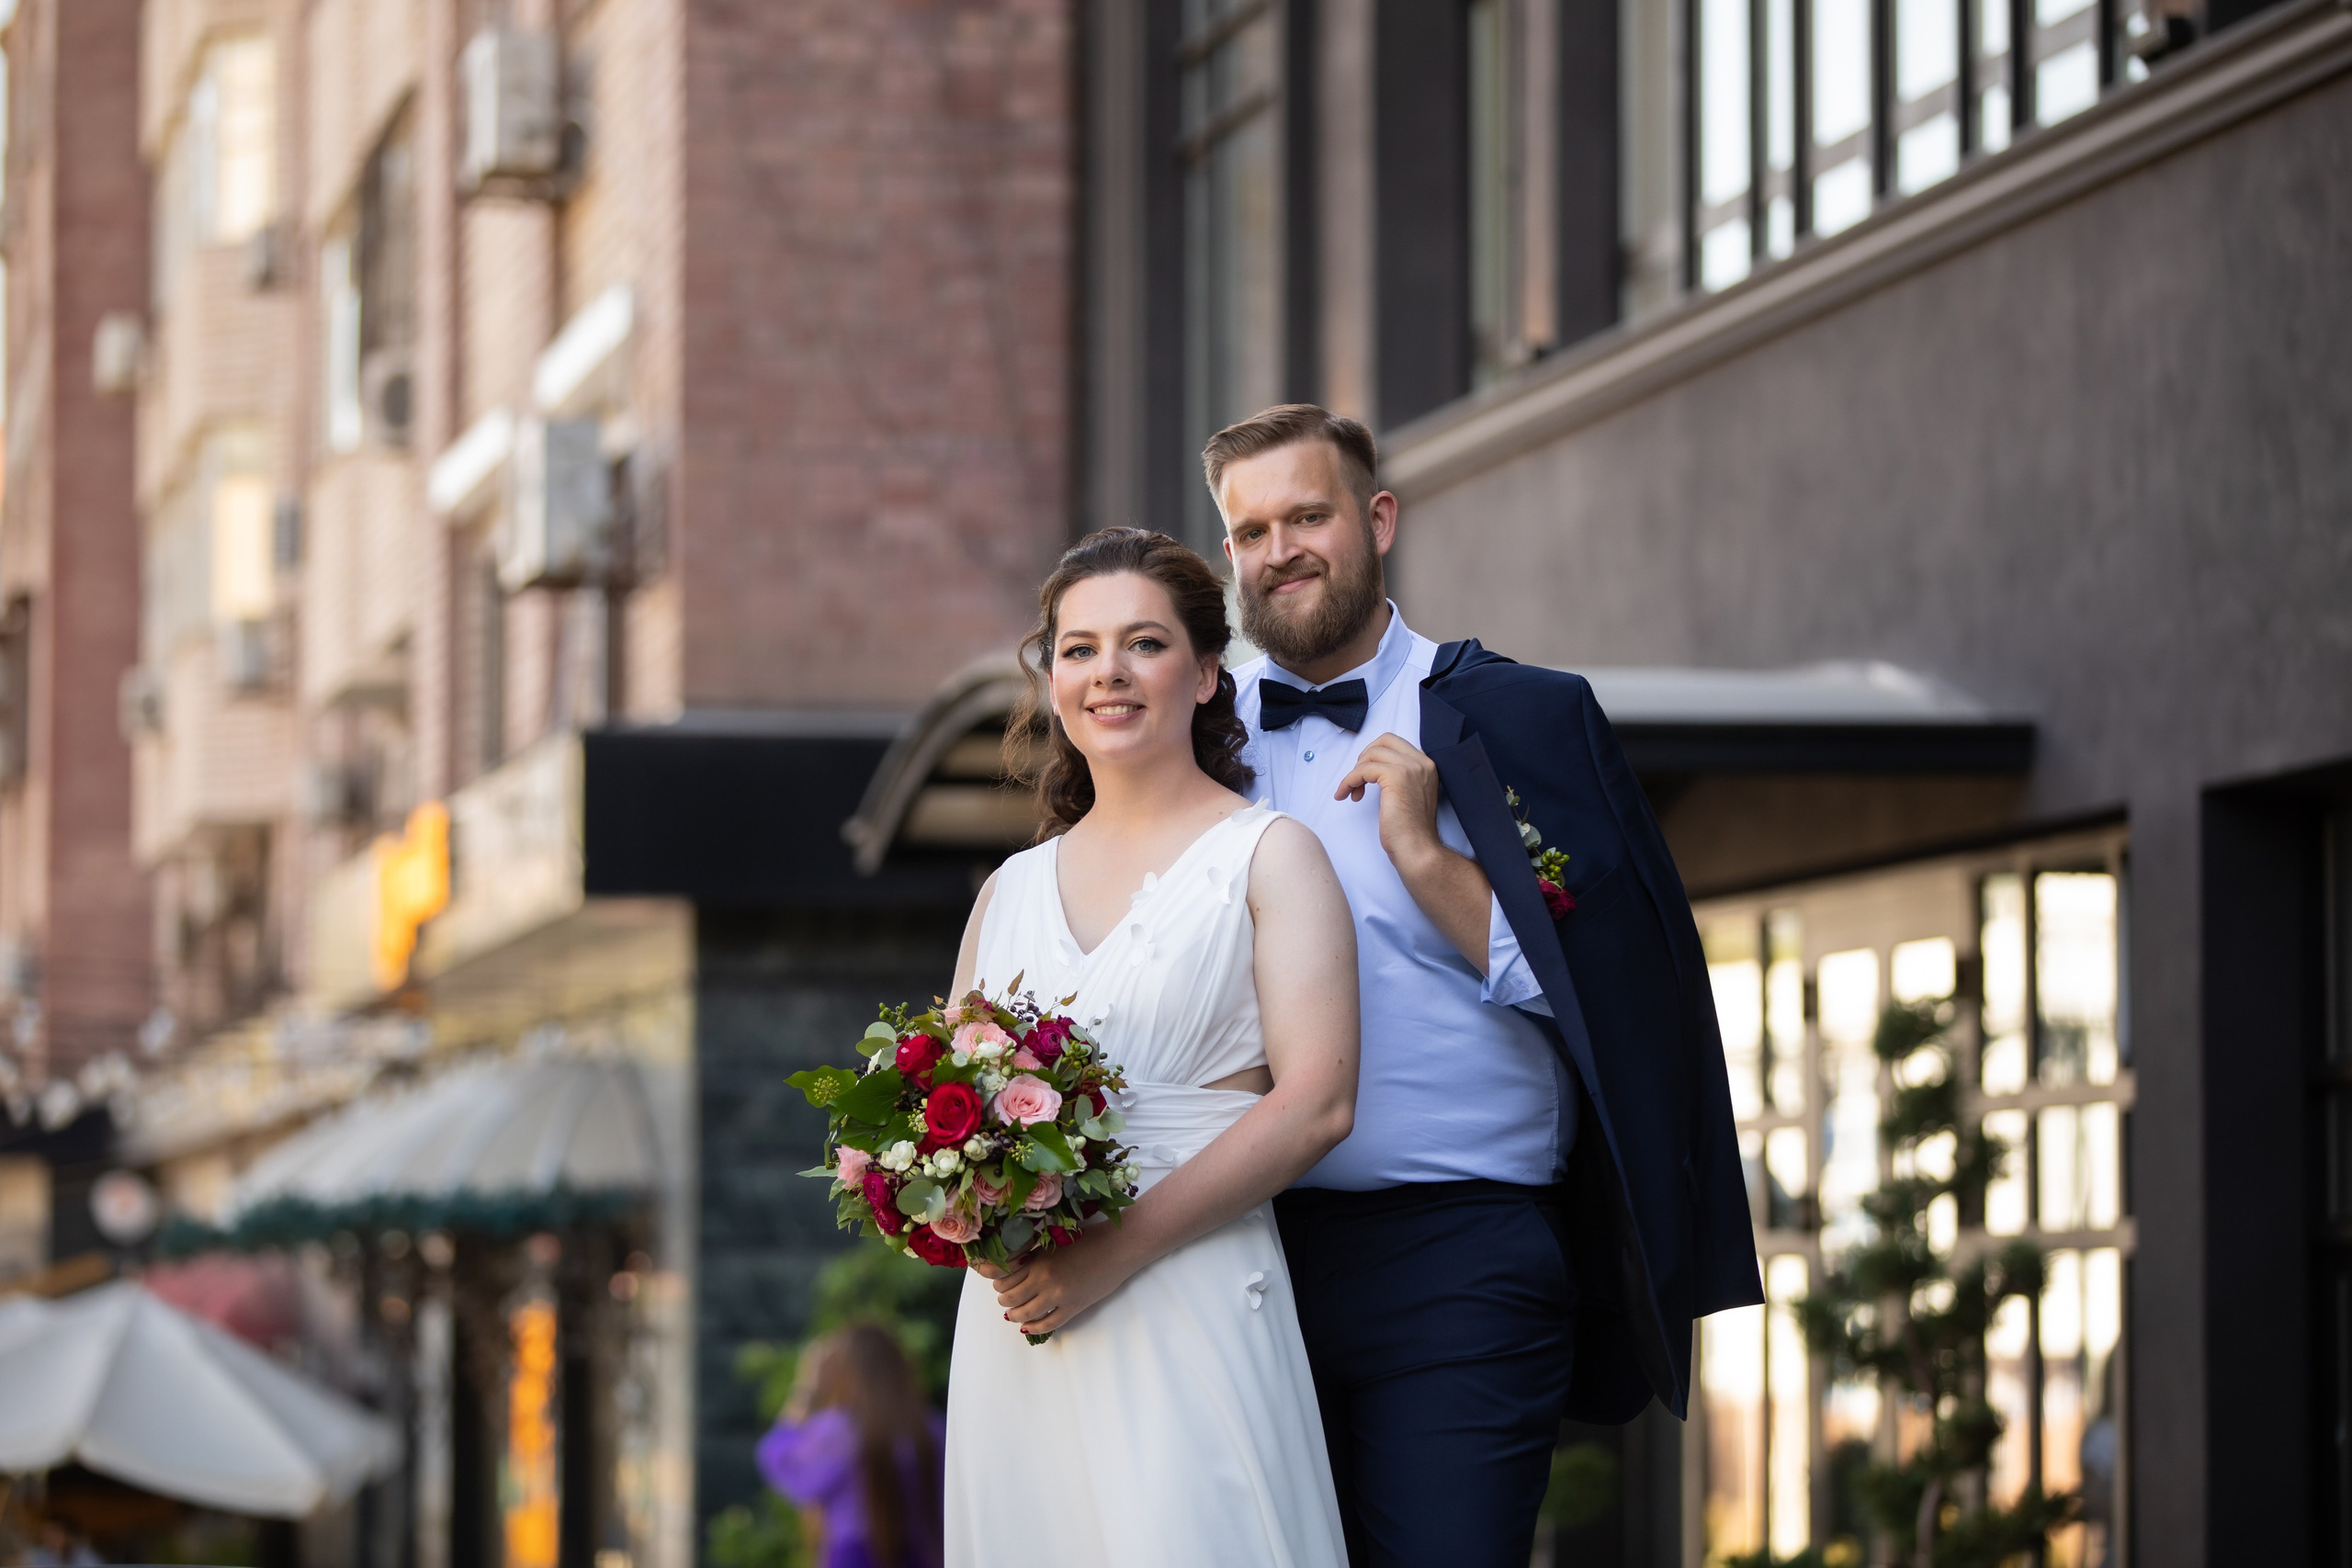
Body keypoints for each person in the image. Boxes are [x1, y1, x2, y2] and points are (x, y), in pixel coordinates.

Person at [1206, 403, 1764, 1567]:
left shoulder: (1525, 719)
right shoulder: (1189, 745)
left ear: (1378, 519)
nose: (1281, 550)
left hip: (1462, 1259)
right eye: (1251, 530)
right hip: (1236, 1259)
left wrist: (1426, 858)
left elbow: (1616, 995)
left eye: (1308, 515)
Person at [942, 527, 1359, 1567]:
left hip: (1190, 1293)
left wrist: (1114, 1252)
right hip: (1025, 1322)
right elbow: (945, 1113)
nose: (1107, 675)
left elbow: (1317, 1102)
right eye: (1078, 649)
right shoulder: (1008, 893)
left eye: (1143, 643)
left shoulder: (1268, 857)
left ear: (1208, 671)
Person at [756, 1324, 945, 1568]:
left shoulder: (838, 1434)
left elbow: (779, 1457)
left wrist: (807, 1389)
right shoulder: (932, 1429)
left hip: (853, 1558)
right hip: (926, 1556)